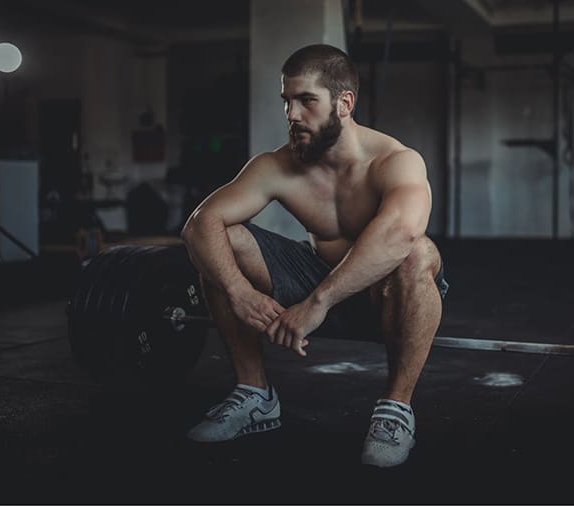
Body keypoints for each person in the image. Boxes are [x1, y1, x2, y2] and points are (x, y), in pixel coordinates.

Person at [179, 44, 449, 468]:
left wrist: (317, 304)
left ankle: (395, 408)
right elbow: (200, 223)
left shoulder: (394, 161)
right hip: (311, 274)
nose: (292, 114)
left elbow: (401, 231)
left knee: (418, 253)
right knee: (220, 242)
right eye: (287, 100)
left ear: (344, 103)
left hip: (382, 291)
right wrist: (238, 292)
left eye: (306, 100)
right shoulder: (278, 166)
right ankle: (255, 395)